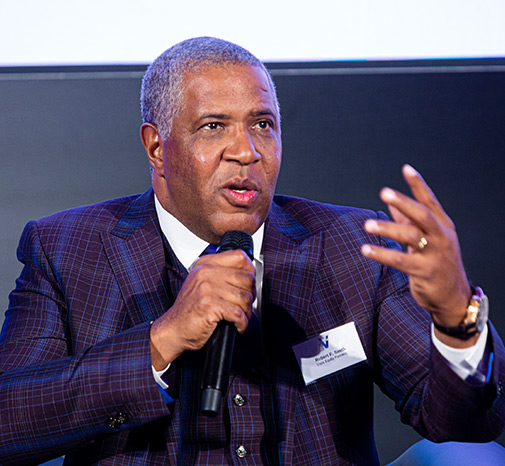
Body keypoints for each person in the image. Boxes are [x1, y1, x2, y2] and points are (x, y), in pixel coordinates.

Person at [0, 36, 504, 466]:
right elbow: (8, 424)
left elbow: (467, 422)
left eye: (262, 124)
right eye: (214, 126)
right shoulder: (67, 250)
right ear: (157, 148)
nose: (247, 151)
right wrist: (161, 340)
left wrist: (457, 320)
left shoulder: (353, 248)